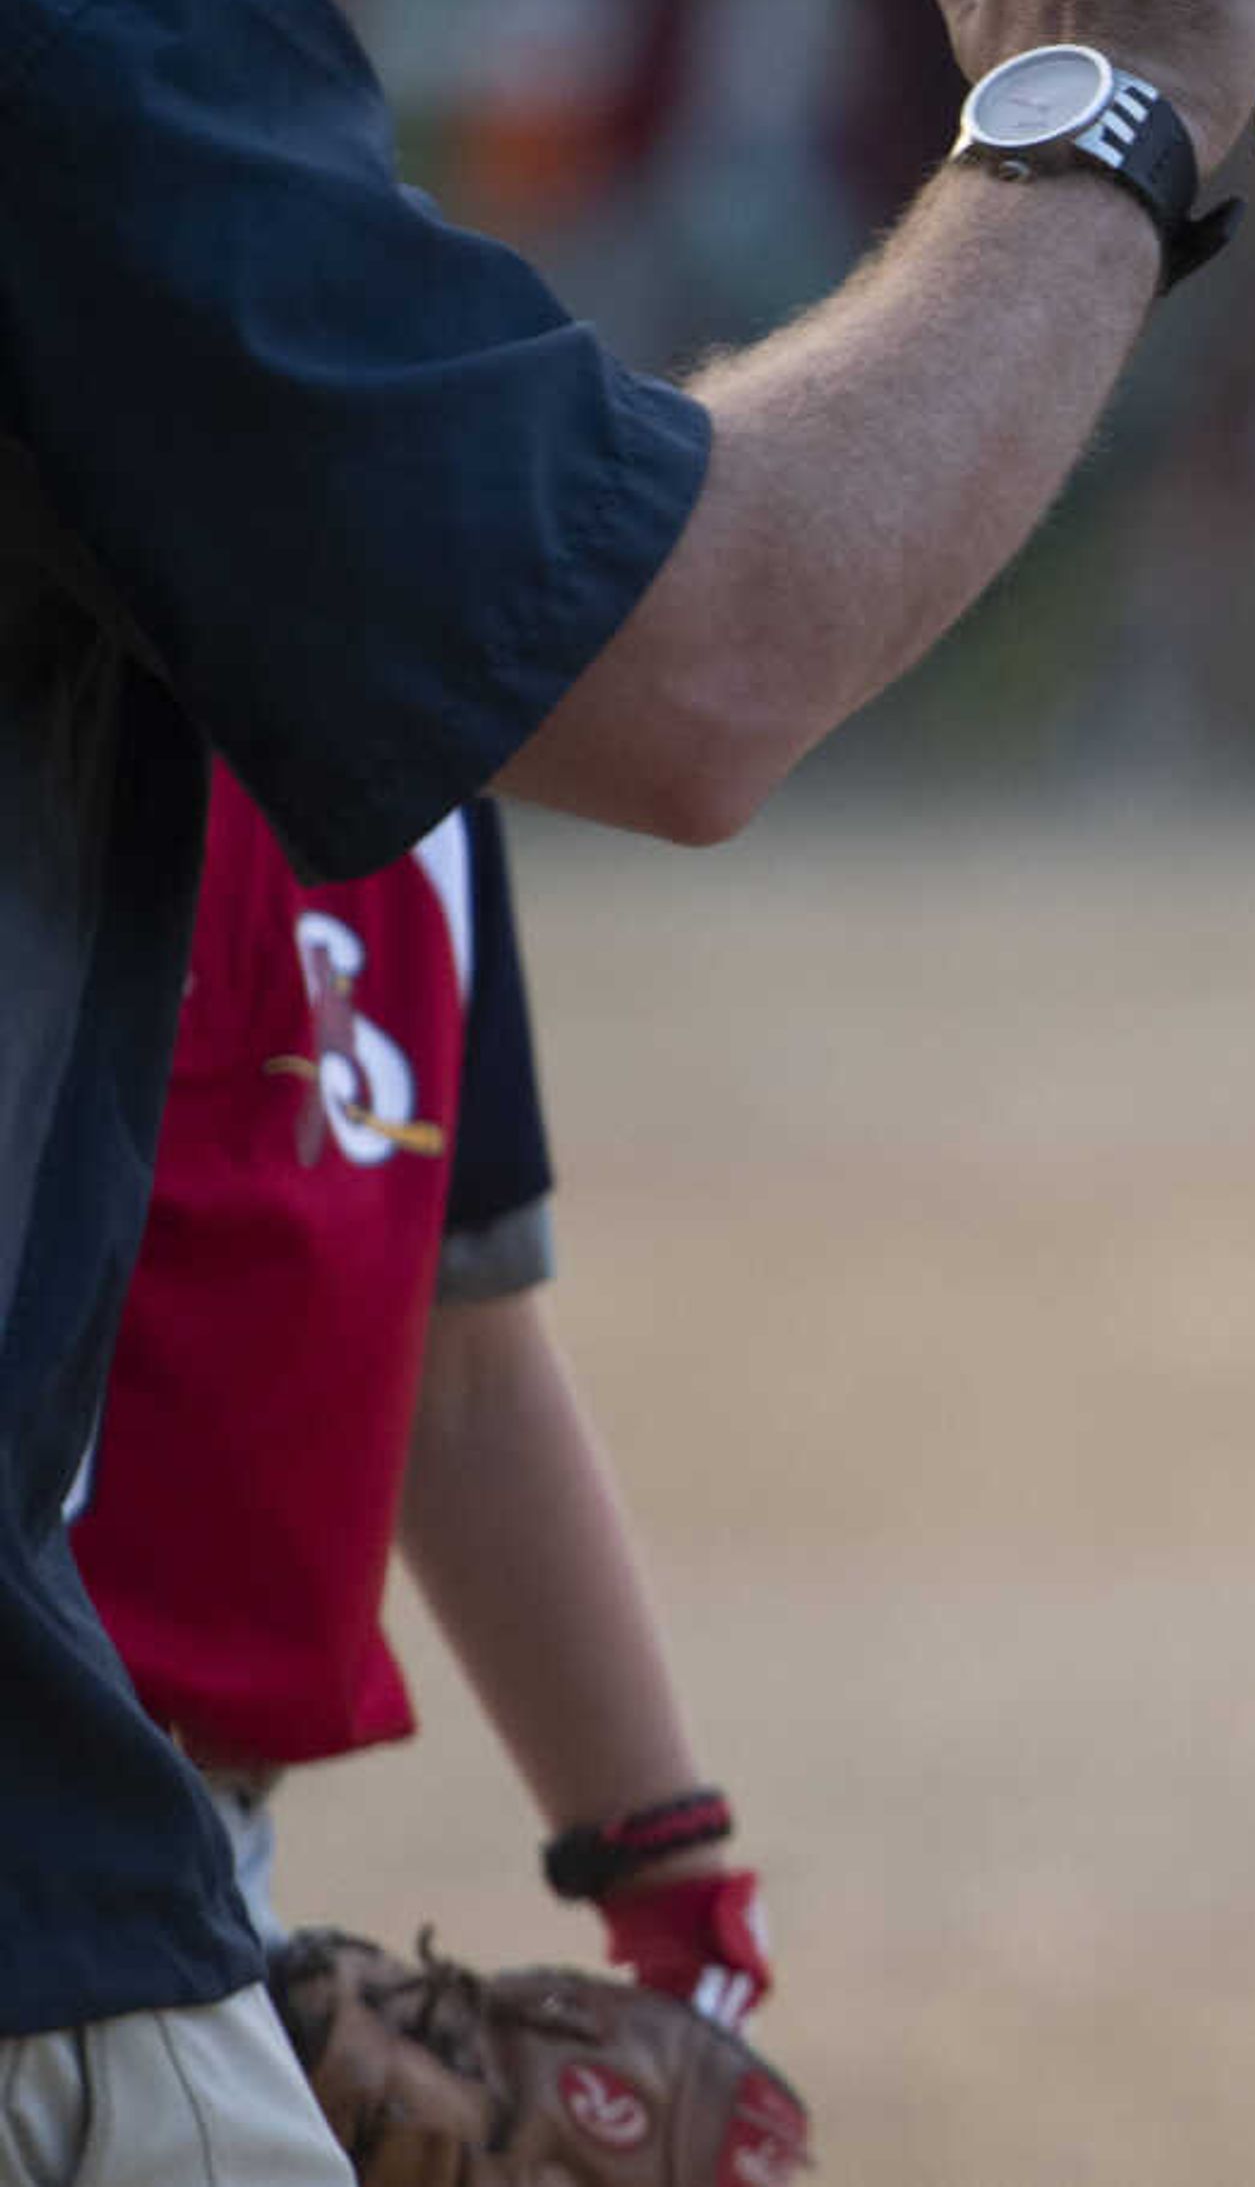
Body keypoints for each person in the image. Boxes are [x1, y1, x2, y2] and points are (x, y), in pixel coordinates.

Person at [0, 0, 1255, 2171]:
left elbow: (469, 1348)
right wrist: (1102, 121)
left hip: (173, 1851)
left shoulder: (367, 775)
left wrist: (659, 1861)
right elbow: (700, 659)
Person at [71, 772, 772, 2026]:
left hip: (184, 1876)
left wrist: (678, 1904)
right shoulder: (48, 714)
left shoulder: (408, 758)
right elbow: (714, 711)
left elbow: (464, 1368)